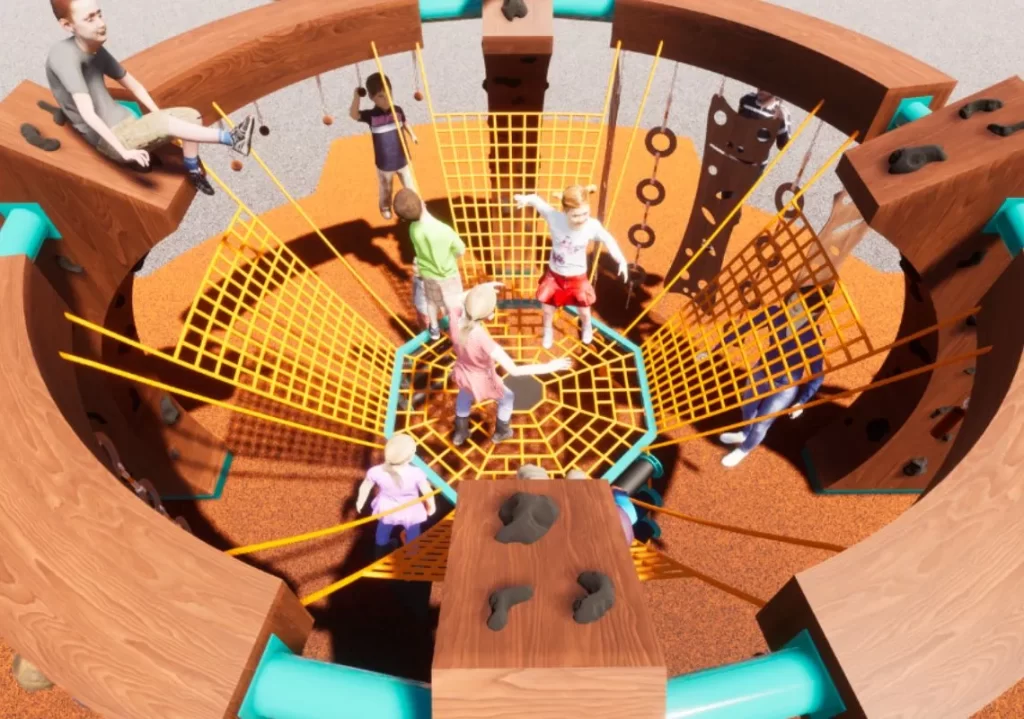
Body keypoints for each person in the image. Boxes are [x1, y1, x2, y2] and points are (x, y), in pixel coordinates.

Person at [45, 0, 256, 196]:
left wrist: (159, 114)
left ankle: (193, 170)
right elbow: (88, 114)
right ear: (67, 26)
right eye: (90, 19)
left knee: (192, 116)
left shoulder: (95, 49)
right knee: (167, 123)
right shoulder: (63, 57)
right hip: (111, 137)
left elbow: (134, 86)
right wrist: (124, 152)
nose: (101, 24)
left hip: (128, 121)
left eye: (99, 15)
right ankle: (232, 139)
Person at [703, 286, 830, 468]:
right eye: (792, 299)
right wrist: (714, 350)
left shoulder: (813, 336)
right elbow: (743, 329)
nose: (793, 304)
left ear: (814, 310)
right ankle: (745, 433)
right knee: (747, 407)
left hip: (784, 387)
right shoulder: (776, 314)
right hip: (760, 373)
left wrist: (802, 401)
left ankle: (744, 449)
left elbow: (817, 374)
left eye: (800, 303)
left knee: (762, 423)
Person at [450, 282, 572, 445]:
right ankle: (502, 431)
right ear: (490, 316)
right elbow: (514, 370)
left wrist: (480, 291)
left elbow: (456, 299)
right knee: (507, 398)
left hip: (461, 373)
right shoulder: (483, 340)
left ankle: (460, 432)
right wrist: (550, 366)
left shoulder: (454, 318)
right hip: (484, 380)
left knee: (464, 395)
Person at [514, 185, 630, 349]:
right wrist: (527, 199)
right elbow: (537, 200)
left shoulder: (591, 225)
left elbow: (608, 239)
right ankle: (547, 329)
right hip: (555, 275)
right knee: (547, 308)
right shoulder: (555, 218)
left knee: (584, 309)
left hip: (578, 277)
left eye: (585, 213)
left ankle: (587, 326)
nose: (582, 218)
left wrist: (621, 260)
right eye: (575, 215)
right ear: (565, 211)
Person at [394, 189, 466, 340]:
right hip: (448, 277)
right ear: (423, 203)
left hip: (426, 276)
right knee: (453, 309)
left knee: (427, 305)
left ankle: (429, 332)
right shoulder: (444, 230)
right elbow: (460, 249)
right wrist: (449, 257)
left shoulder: (413, 229)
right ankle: (457, 337)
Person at [350, 72, 419, 220]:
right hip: (384, 163)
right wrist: (356, 96)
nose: (386, 98)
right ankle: (385, 206)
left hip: (403, 158)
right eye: (381, 96)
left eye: (388, 93)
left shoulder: (398, 110)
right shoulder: (371, 116)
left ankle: (414, 206)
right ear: (372, 98)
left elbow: (404, 122)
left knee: (411, 185)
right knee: (386, 188)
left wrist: (412, 134)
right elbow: (354, 115)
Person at [356, 433, 437, 557]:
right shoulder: (417, 472)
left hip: (387, 507)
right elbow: (427, 491)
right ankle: (412, 554)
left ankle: (380, 550)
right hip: (411, 509)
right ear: (410, 457)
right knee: (413, 532)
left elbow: (365, 487)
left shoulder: (376, 471)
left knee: (383, 528)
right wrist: (431, 506)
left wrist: (359, 502)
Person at [737, 89, 793, 172]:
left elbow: (783, 146)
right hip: (734, 153)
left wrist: (782, 122)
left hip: (755, 164)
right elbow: (737, 123)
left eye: (766, 87)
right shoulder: (747, 99)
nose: (760, 89)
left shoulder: (781, 112)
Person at [411, 258, 431, 333]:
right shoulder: (415, 278)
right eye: (414, 265)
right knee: (420, 320)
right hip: (418, 304)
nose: (414, 268)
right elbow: (414, 288)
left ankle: (430, 338)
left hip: (426, 309)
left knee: (427, 323)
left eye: (416, 265)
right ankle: (422, 332)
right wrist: (413, 299)